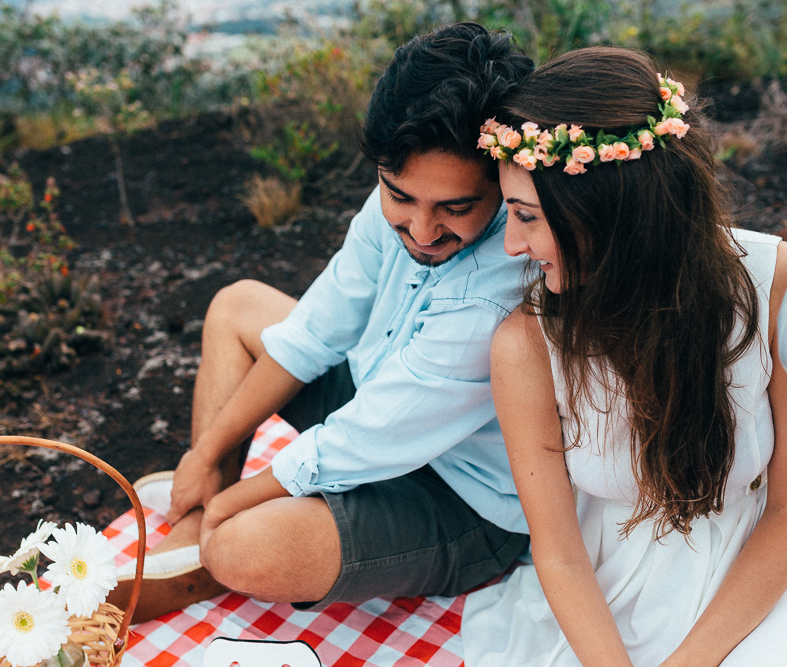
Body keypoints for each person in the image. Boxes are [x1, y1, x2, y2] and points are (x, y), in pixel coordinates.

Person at [108, 22, 534, 622]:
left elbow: (361, 440)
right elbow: (314, 332)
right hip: (370, 401)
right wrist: (207, 453)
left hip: (459, 500)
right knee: (237, 305)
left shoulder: (503, 284)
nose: (421, 229)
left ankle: (210, 545)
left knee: (241, 545)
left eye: (456, 208)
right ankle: (200, 520)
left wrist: (234, 506)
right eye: (399, 196)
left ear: (505, 182)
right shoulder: (404, 192)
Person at [461, 47, 787, 666]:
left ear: (608, 213)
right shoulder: (526, 345)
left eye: (528, 217)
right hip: (599, 592)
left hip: (751, 574)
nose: (512, 246)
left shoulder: (774, 281)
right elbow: (558, 550)